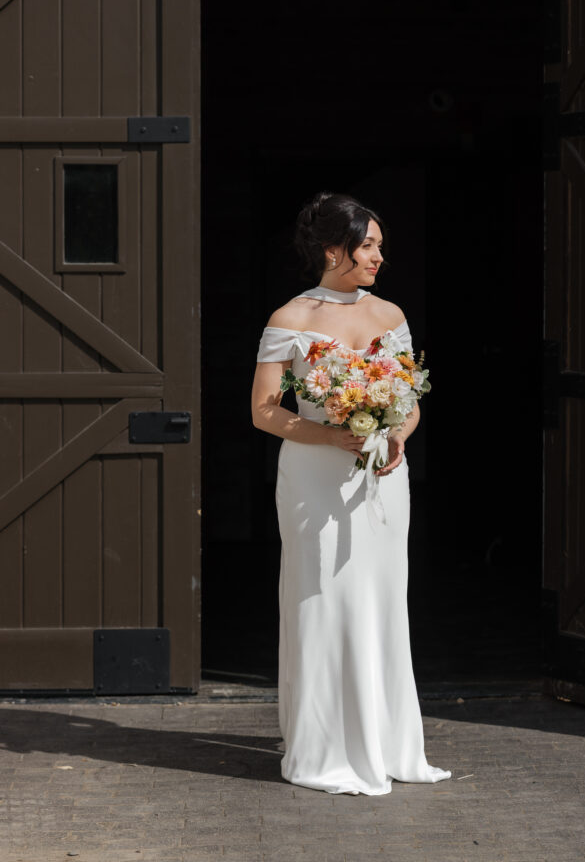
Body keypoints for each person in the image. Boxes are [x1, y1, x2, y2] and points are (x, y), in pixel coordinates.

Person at [251, 191, 451, 796]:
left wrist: (397, 436)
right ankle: (324, 748)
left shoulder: (389, 315)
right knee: (321, 596)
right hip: (314, 476)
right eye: (368, 246)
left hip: (383, 481)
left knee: (382, 599)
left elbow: (409, 402)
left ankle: (386, 741)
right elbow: (263, 412)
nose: (378, 258)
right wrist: (331, 433)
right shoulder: (291, 319)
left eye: (380, 247)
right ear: (333, 249)